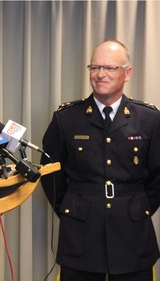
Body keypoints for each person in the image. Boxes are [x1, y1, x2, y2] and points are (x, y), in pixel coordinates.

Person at [40, 39, 160, 281]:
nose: (100, 75)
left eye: (109, 68)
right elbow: (50, 173)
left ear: (127, 73)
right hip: (80, 235)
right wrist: (70, 208)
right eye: (95, 68)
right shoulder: (66, 119)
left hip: (132, 233)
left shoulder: (149, 119)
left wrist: (140, 206)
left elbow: (158, 176)